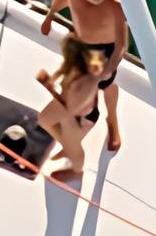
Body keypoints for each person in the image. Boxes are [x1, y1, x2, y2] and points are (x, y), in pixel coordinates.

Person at [40, 0, 126, 151]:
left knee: (106, 84)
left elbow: (121, 43)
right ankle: (87, 111)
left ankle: (112, 121)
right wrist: (50, 17)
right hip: (80, 46)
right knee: (81, 84)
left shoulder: (114, 2)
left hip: (104, 51)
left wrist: (109, 67)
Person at [33, 36, 107, 180]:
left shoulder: (84, 82)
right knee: (45, 120)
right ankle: (68, 146)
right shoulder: (73, 67)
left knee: (74, 147)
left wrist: (49, 88)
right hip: (69, 105)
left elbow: (71, 109)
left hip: (81, 116)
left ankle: (76, 170)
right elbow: (61, 73)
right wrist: (50, 80)